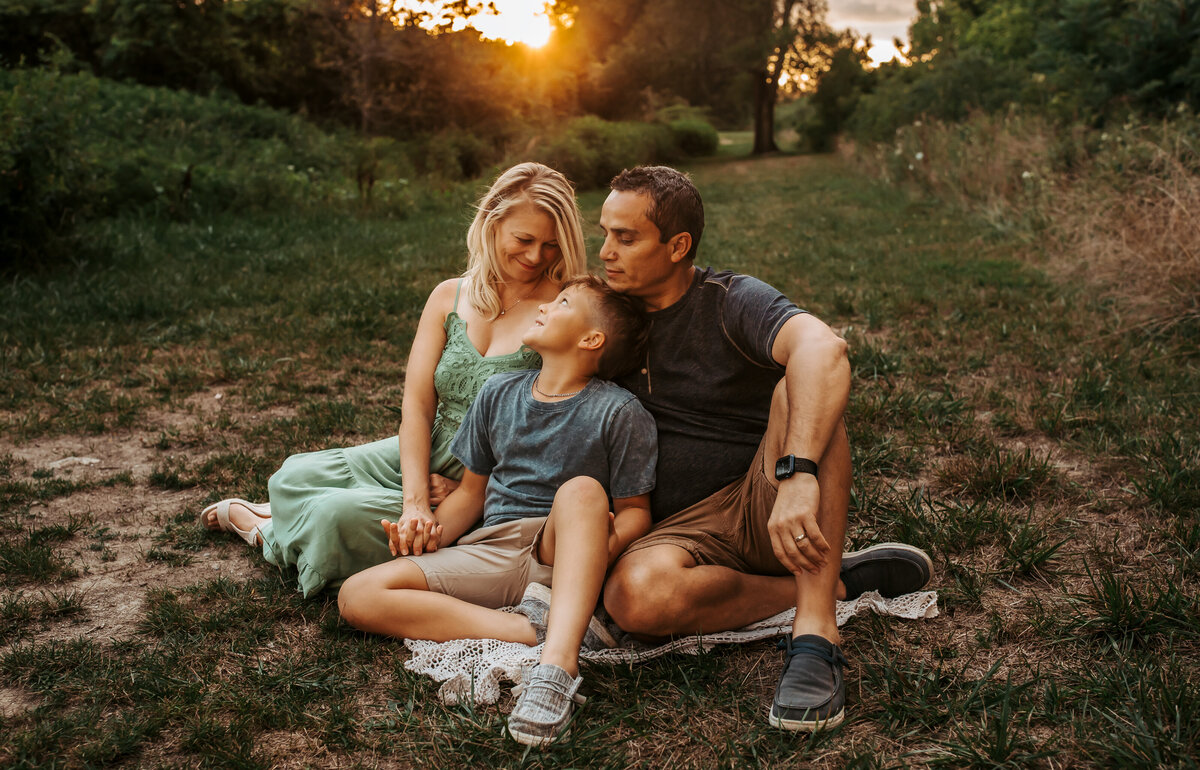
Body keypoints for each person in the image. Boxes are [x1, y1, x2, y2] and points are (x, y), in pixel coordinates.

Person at [595, 166, 934, 732]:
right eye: (603, 233)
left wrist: (798, 474)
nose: (605, 252)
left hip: (764, 503)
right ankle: (839, 580)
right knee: (634, 601)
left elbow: (824, 348)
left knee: (800, 390)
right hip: (669, 532)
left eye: (625, 238)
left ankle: (815, 632)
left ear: (678, 246)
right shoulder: (604, 311)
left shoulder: (730, 300)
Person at [199, 162, 588, 597]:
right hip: (433, 440)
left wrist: (468, 488)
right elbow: (418, 406)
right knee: (292, 476)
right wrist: (416, 498)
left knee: (336, 516)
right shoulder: (450, 295)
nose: (536, 257)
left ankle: (266, 530)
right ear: (492, 223)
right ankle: (291, 514)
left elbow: (565, 427)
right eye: (524, 239)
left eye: (551, 246)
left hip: (492, 477)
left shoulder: (563, 311)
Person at [337, 275, 657, 746]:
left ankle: (556, 663)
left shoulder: (618, 411)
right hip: (492, 545)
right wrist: (431, 533)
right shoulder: (499, 393)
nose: (547, 305)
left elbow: (635, 512)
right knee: (357, 594)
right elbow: (471, 493)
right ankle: (530, 629)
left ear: (591, 339)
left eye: (563, 302)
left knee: (584, 491)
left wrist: (600, 551)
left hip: (559, 548)